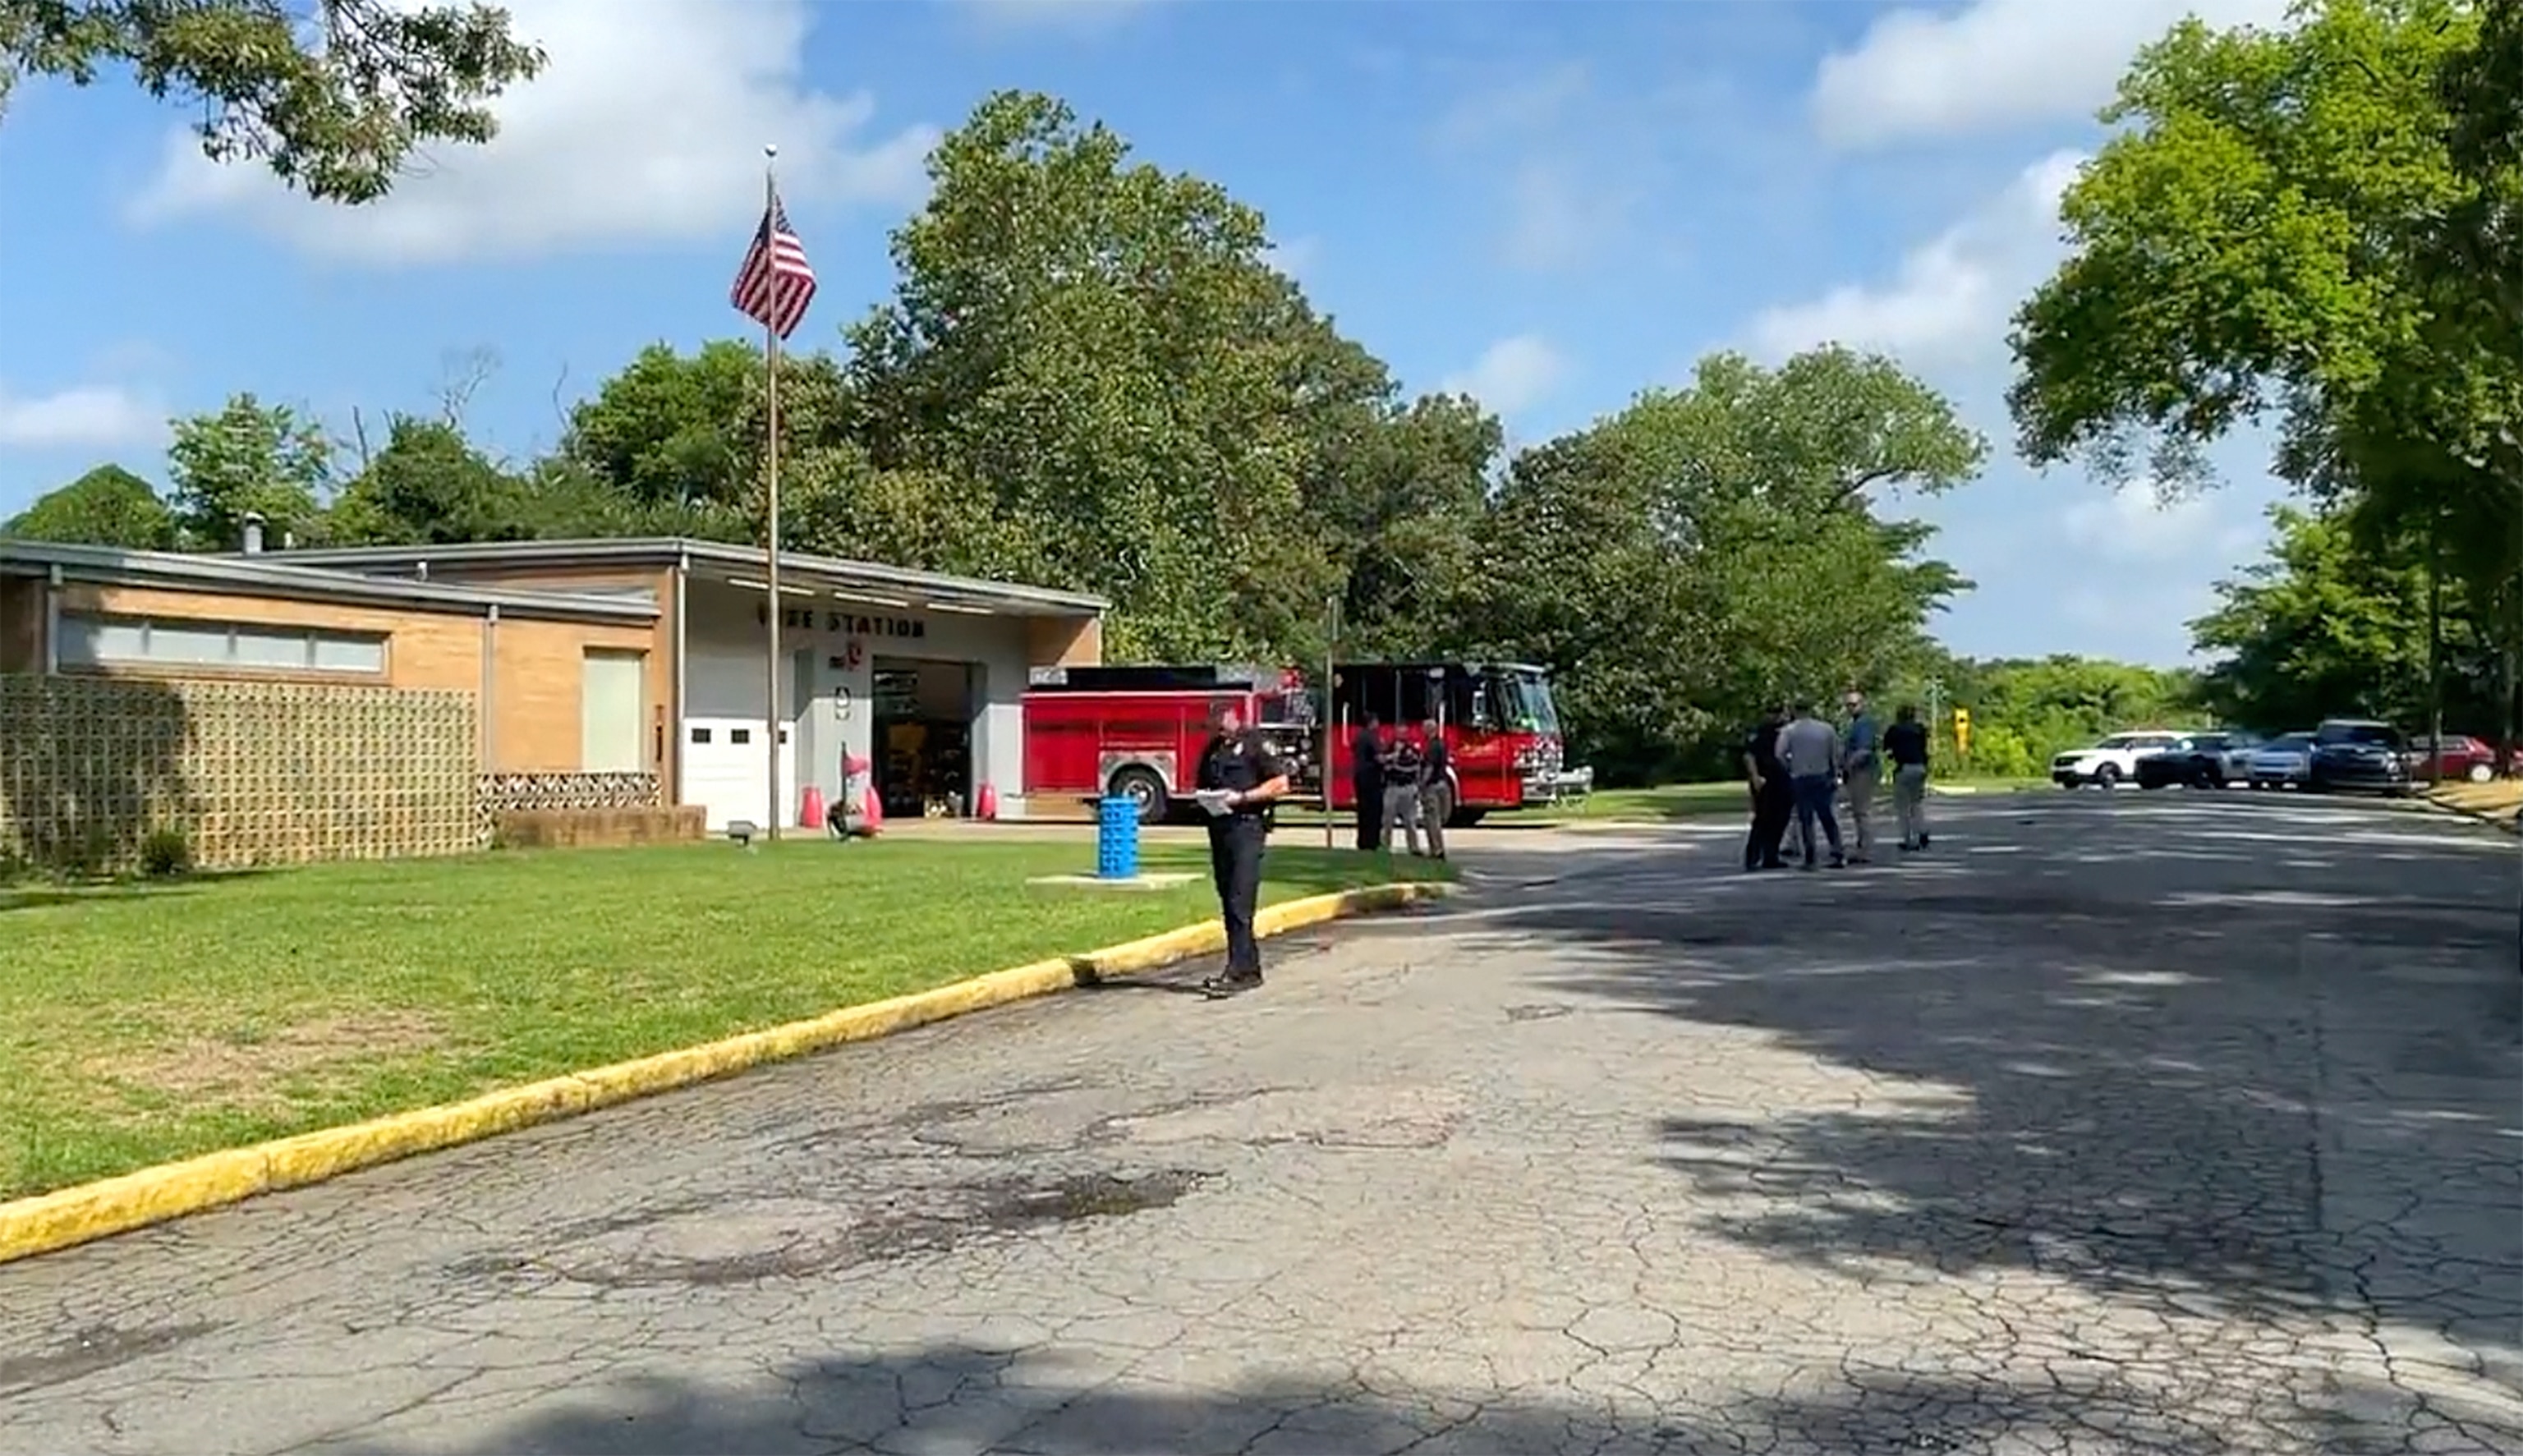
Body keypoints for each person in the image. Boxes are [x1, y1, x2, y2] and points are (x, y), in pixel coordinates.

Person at [1193, 700, 1290, 998]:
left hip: (1248, 828)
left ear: (1234, 717)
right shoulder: (1213, 750)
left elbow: (1280, 784)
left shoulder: (1255, 744)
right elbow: (1203, 784)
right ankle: (1248, 968)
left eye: (1221, 721)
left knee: (1240, 899)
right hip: (1220, 829)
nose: (1218, 728)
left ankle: (1237, 971)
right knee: (1228, 899)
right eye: (1213, 724)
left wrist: (1243, 797)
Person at [1778, 698, 1845, 870]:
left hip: (1800, 776)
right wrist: (1834, 773)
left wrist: (1789, 768)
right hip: (1822, 775)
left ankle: (1810, 857)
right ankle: (1837, 852)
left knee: (1805, 818)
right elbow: (1836, 754)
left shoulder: (1790, 730)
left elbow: (1779, 754)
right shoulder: (1826, 729)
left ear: (1795, 710)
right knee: (1827, 816)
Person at [1741, 703, 1791, 871]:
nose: (1775, 716)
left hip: (1783, 780)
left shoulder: (1787, 731)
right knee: (1762, 819)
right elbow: (1749, 755)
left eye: (1778, 713)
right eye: (1772, 712)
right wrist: (1754, 776)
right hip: (1764, 780)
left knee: (1780, 819)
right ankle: (1752, 858)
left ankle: (1771, 856)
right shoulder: (1759, 732)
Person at [1840, 689, 1881, 865]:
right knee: (1858, 812)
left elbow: (1864, 751)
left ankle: (1866, 850)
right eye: (1848, 705)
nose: (1851, 708)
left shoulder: (1864, 723)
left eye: (1854, 704)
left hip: (1863, 771)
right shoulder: (1855, 723)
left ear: (1862, 704)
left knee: (1862, 811)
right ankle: (1862, 846)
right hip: (1857, 771)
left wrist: (1847, 766)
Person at [1886, 703, 1932, 851]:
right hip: (1920, 767)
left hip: (1904, 768)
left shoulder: (1895, 730)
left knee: (1902, 807)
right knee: (1917, 802)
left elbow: (1887, 748)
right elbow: (1924, 747)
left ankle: (1908, 839)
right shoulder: (1920, 729)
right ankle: (1922, 830)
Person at [1381, 727, 1426, 857]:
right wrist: (1393, 757)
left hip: (1408, 788)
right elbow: (1383, 764)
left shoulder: (1412, 750)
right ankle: (1385, 846)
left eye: (1404, 733)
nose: (1402, 735)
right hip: (1392, 788)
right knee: (1387, 821)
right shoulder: (1388, 748)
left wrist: (1397, 765)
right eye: (1400, 732)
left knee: (1410, 821)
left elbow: (1416, 766)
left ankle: (1414, 848)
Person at [1415, 716, 1450, 861]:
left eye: (1424, 728)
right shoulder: (1442, 744)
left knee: (1431, 821)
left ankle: (1436, 850)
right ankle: (1438, 848)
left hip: (1432, 787)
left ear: (1429, 729)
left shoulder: (1431, 747)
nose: (1422, 730)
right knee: (1438, 820)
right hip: (1442, 784)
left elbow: (1429, 768)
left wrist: (1421, 784)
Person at [1349, 712, 1385, 852]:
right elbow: (1379, 758)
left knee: (1363, 811)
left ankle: (1362, 841)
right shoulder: (1372, 737)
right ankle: (1372, 841)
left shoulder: (1359, 736)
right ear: (1372, 722)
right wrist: (1392, 757)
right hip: (1371, 777)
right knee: (1374, 811)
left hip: (1360, 776)